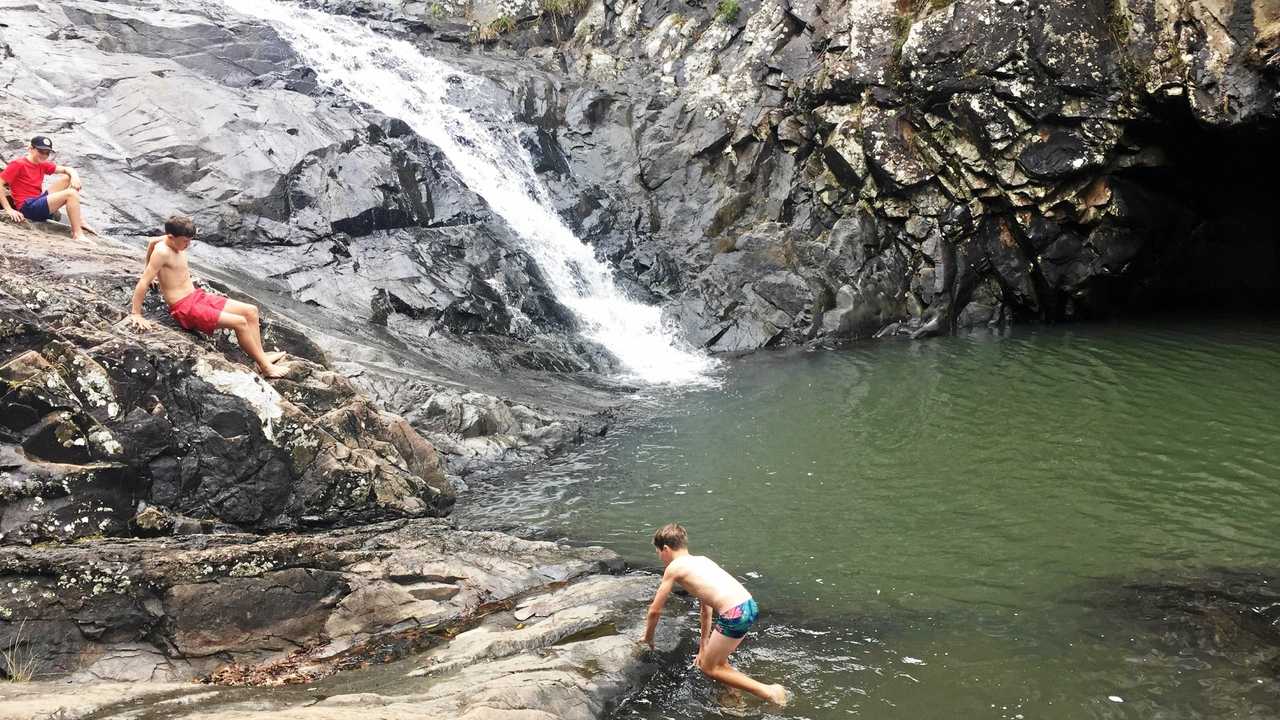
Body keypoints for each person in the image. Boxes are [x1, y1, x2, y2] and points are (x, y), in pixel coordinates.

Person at [641, 523, 791, 706]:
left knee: (708, 667)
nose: (659, 557)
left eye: (658, 552)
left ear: (665, 548)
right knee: (718, 661)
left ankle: (770, 692)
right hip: (748, 605)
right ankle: (733, 695)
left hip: (734, 613)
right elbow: (706, 609)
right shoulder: (702, 561)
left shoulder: (674, 568)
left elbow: (655, 610)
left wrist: (648, 639)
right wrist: (703, 644)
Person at [121, 215, 288, 378]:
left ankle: (262, 358)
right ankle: (266, 368)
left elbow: (151, 242)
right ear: (171, 237)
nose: (188, 245)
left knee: (251, 311)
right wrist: (136, 313)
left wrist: (146, 265)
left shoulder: (167, 240)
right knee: (240, 322)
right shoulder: (163, 251)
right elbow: (143, 282)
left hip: (196, 296)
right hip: (184, 308)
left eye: (190, 240)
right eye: (185, 241)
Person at [0, 136, 88, 241]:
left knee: (68, 178)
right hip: (28, 208)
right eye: (41, 151)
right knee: (71, 194)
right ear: (31, 149)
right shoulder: (18, 164)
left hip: (37, 201)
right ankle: (77, 234)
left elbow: (66, 169)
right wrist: (8, 209)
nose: (44, 155)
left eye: (47, 153)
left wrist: (75, 175)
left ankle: (80, 220)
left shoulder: (41, 164)